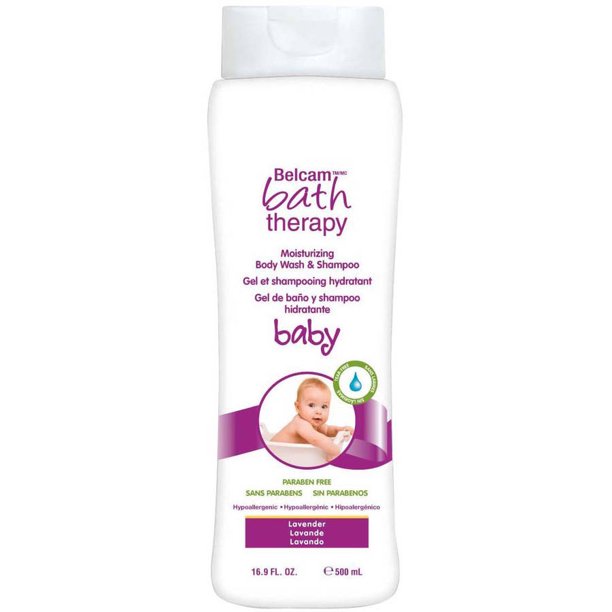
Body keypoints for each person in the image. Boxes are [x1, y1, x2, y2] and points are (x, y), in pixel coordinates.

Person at [271, 377, 354, 461]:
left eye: (324, 406)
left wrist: (341, 430)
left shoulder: (315, 424)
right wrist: (334, 451)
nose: (319, 411)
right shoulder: (300, 423)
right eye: (311, 405)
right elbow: (316, 439)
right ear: (298, 407)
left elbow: (328, 430)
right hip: (273, 453)